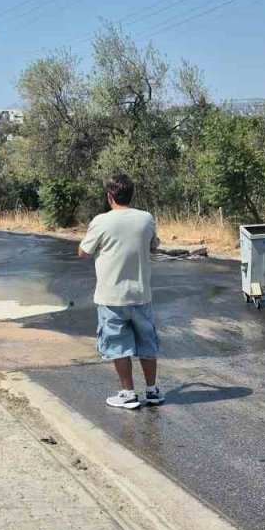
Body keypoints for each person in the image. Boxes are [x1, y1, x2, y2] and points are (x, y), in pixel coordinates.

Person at [78, 174, 163, 410]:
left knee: (117, 344)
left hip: (111, 296)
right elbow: (154, 245)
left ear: (110, 196)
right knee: (147, 343)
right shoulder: (146, 218)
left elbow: (83, 252)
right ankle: (152, 390)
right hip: (140, 294)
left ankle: (128, 393)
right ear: (131, 195)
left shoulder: (101, 221)